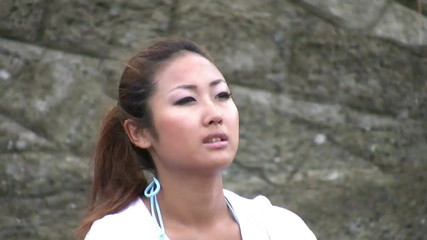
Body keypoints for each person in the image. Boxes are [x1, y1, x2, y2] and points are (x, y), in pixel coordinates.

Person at [76, 39, 317, 240]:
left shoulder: (279, 229)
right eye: (186, 100)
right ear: (140, 133)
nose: (214, 114)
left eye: (222, 95)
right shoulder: (118, 234)